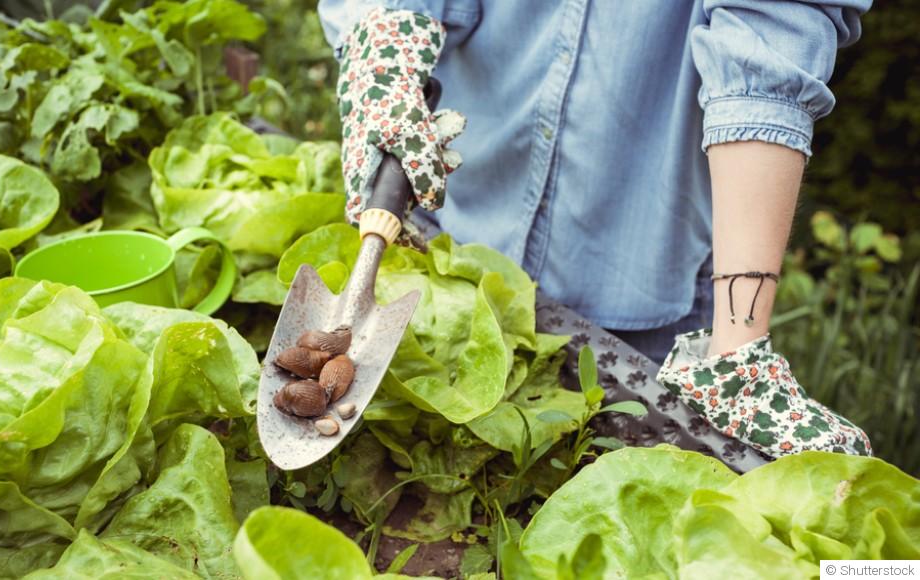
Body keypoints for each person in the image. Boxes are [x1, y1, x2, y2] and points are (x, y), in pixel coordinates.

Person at [317, 1, 873, 458]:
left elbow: (767, 46)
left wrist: (738, 351)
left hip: (645, 285)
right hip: (452, 230)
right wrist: (386, 45)